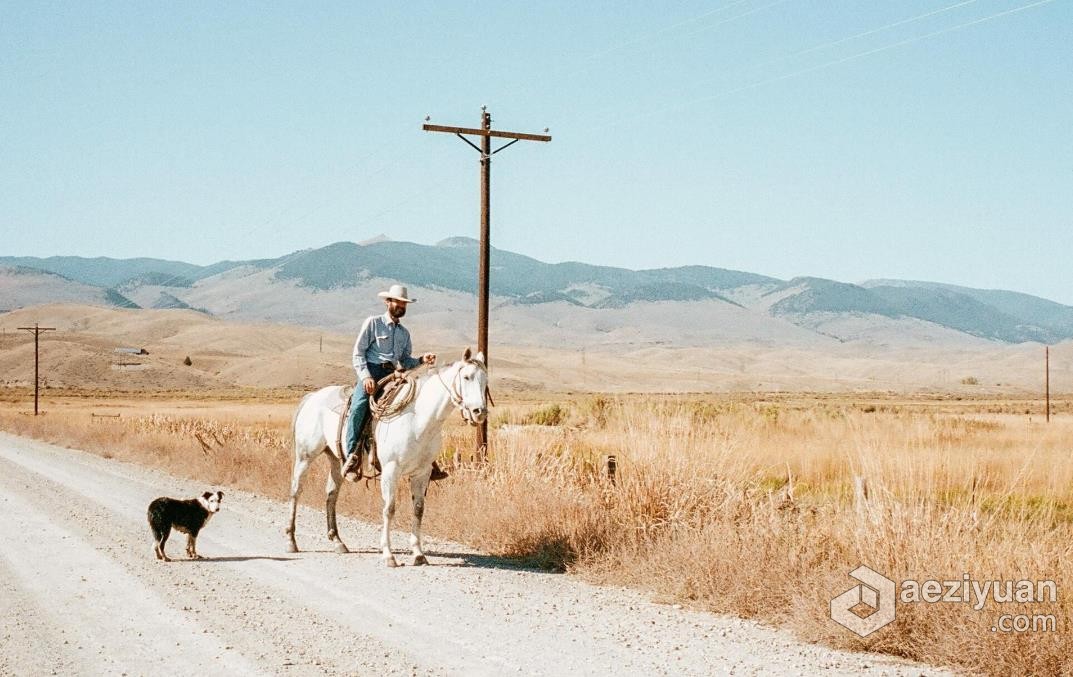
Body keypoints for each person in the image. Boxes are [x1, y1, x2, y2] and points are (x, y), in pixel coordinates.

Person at [342, 284, 446, 481]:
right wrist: (365, 377)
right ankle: (351, 457)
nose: (400, 306)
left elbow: (406, 361)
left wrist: (422, 360)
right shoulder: (373, 323)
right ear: (387, 302)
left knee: (414, 406)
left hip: (394, 375)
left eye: (404, 303)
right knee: (359, 407)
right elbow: (358, 353)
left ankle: (424, 459)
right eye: (397, 302)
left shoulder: (404, 333)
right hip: (372, 373)